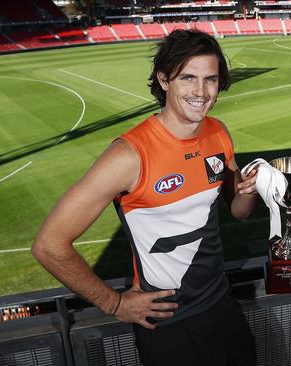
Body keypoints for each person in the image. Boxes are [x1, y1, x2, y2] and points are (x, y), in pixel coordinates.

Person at [32, 30, 259, 365]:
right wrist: (115, 304)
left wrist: (247, 189)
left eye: (210, 79)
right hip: (170, 323)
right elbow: (49, 245)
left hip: (222, 305)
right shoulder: (128, 156)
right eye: (188, 78)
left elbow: (239, 212)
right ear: (164, 80)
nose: (201, 92)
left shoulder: (218, 132)